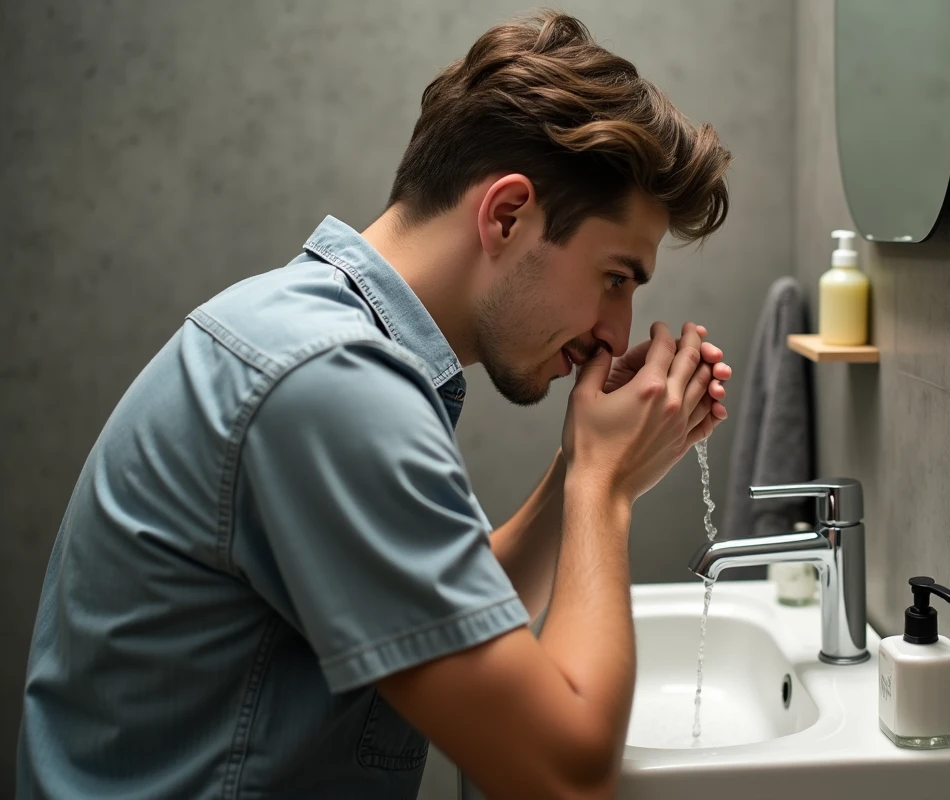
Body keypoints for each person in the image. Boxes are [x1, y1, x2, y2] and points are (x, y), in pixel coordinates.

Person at [17, 11, 733, 800]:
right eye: (616, 277)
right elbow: (565, 780)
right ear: (506, 214)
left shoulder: (312, 337)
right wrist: (603, 490)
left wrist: (585, 469)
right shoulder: (330, 384)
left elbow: (433, 612)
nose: (614, 333)